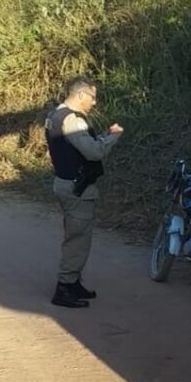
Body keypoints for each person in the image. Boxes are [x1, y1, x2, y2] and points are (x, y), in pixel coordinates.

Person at [44, 75, 123, 308]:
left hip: (67, 184)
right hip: (76, 189)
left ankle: (73, 282)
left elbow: (76, 147)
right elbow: (93, 152)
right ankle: (65, 288)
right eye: (92, 97)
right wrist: (114, 137)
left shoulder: (55, 115)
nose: (94, 102)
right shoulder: (73, 120)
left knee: (77, 236)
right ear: (80, 95)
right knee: (77, 240)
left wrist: (104, 136)